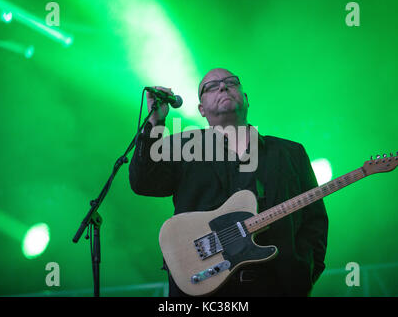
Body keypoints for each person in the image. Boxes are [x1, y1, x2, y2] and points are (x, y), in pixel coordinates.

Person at [129, 68, 328, 297]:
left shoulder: (290, 153)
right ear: (201, 110)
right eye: (211, 87)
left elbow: (315, 222)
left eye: (231, 82)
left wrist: (304, 275)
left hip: (276, 287)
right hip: (203, 290)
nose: (223, 87)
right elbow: (143, 183)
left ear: (246, 99)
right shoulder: (183, 147)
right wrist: (155, 121)